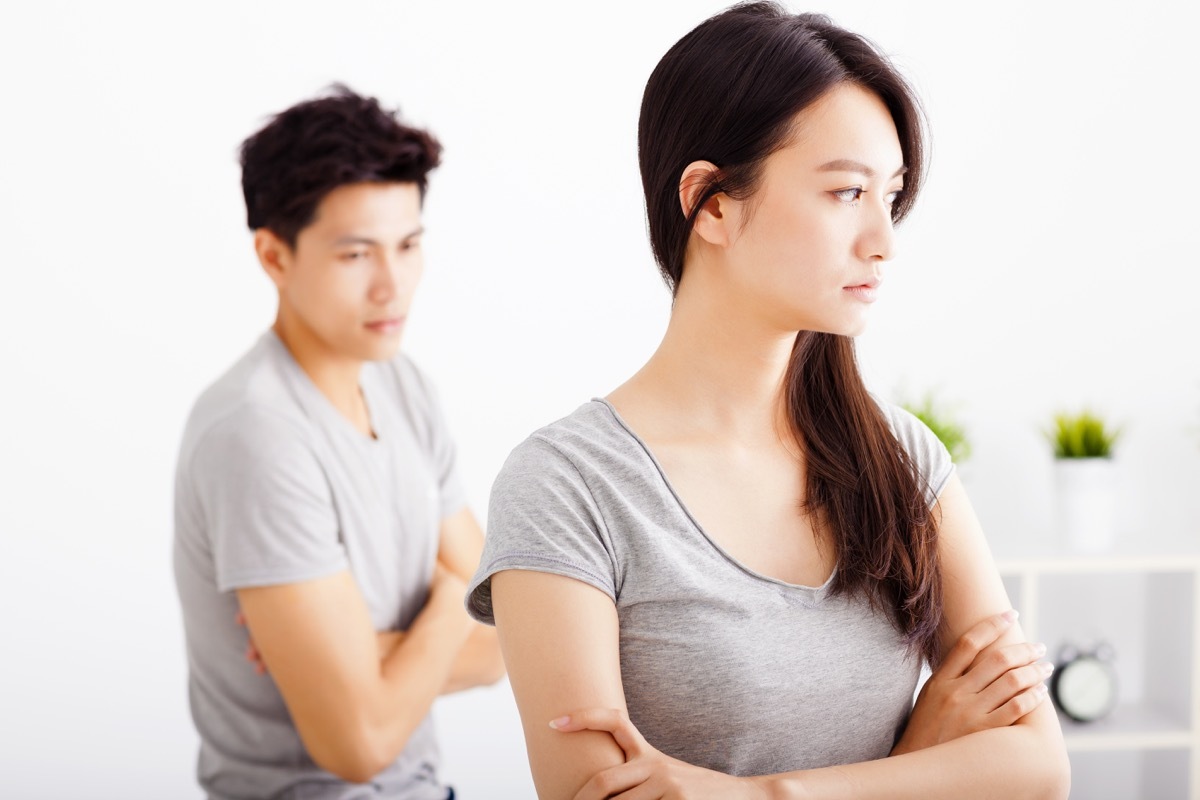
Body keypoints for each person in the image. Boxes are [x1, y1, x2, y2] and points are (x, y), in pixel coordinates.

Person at [465, 4, 1070, 799]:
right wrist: (917, 759)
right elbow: (596, 794)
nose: (884, 240)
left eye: (890, 196)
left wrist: (764, 793)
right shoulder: (568, 485)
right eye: (846, 192)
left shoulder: (901, 458)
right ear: (711, 202)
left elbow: (1039, 768)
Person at [173, 85, 504, 800]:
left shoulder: (403, 387)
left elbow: (509, 640)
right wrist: (452, 601)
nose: (393, 286)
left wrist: (370, 659)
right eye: (356, 255)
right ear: (274, 256)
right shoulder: (257, 433)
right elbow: (358, 742)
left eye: (408, 246)